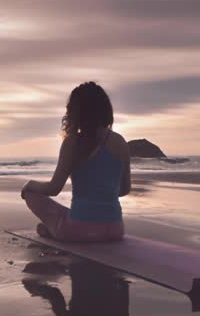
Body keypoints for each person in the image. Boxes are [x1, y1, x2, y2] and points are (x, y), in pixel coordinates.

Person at [21, 81, 131, 242]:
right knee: (70, 213)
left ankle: (54, 231)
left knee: (31, 194)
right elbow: (124, 190)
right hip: (115, 229)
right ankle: (63, 227)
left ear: (75, 113)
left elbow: (54, 188)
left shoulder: (72, 142)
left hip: (80, 231)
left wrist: (29, 184)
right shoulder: (120, 142)